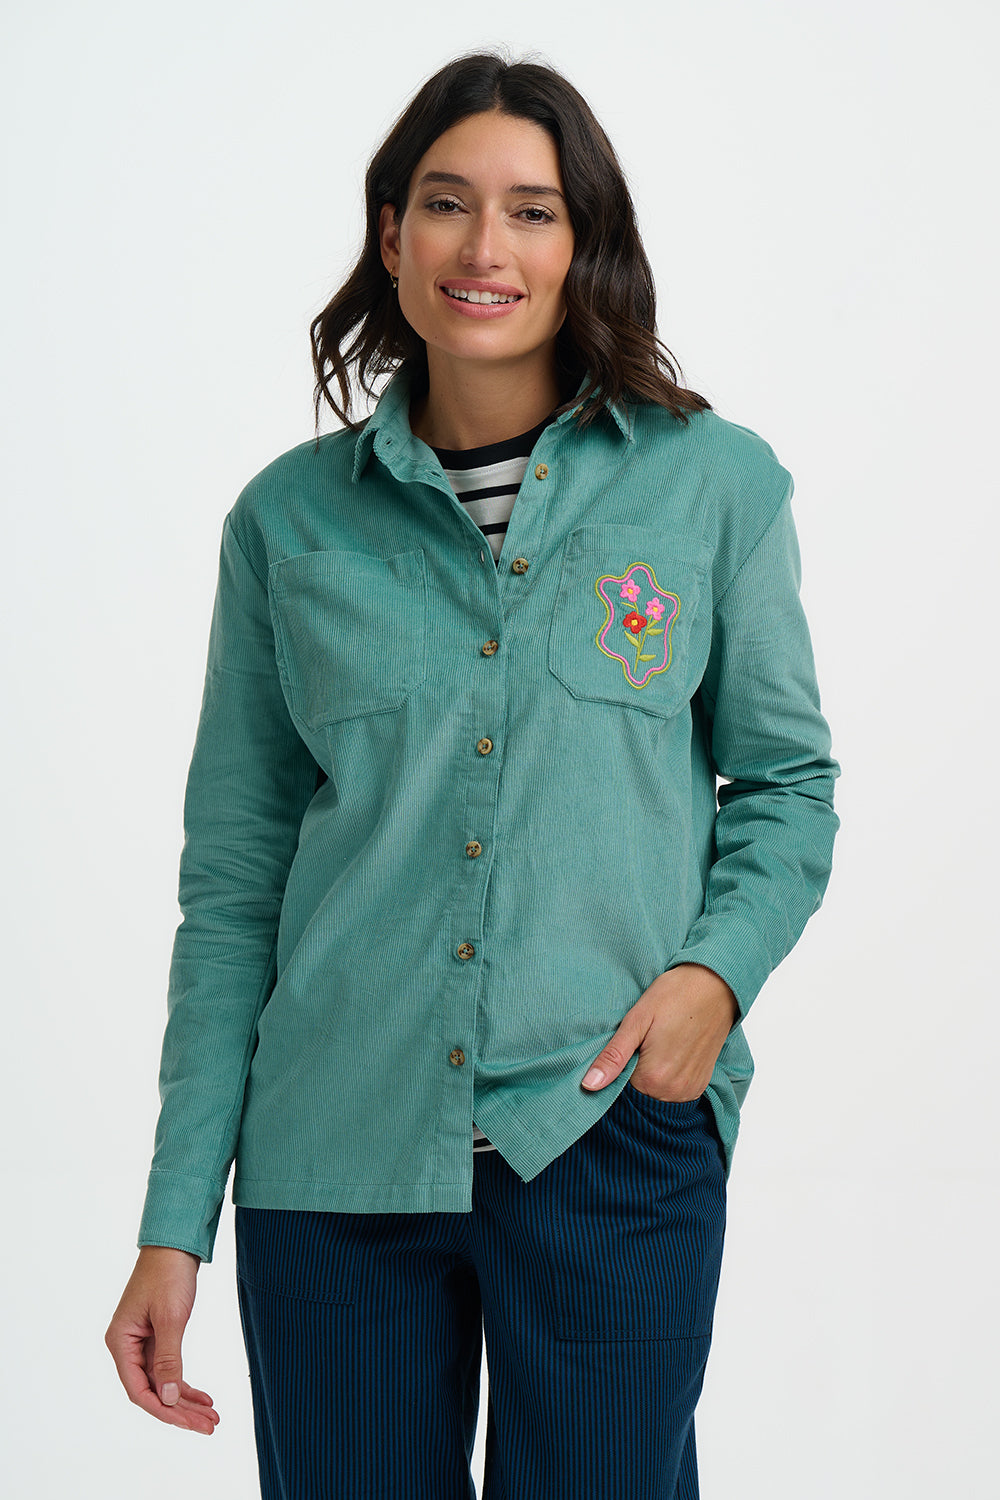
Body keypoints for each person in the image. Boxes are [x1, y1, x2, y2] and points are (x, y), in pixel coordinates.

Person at [105, 50, 839, 1499]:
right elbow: (235, 884)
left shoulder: (716, 489)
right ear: (392, 237)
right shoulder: (287, 526)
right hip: (335, 1155)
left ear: (587, 247)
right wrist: (173, 1220)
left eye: (534, 210)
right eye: (447, 206)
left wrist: (714, 982)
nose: (486, 248)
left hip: (608, 1131)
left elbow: (788, 784)